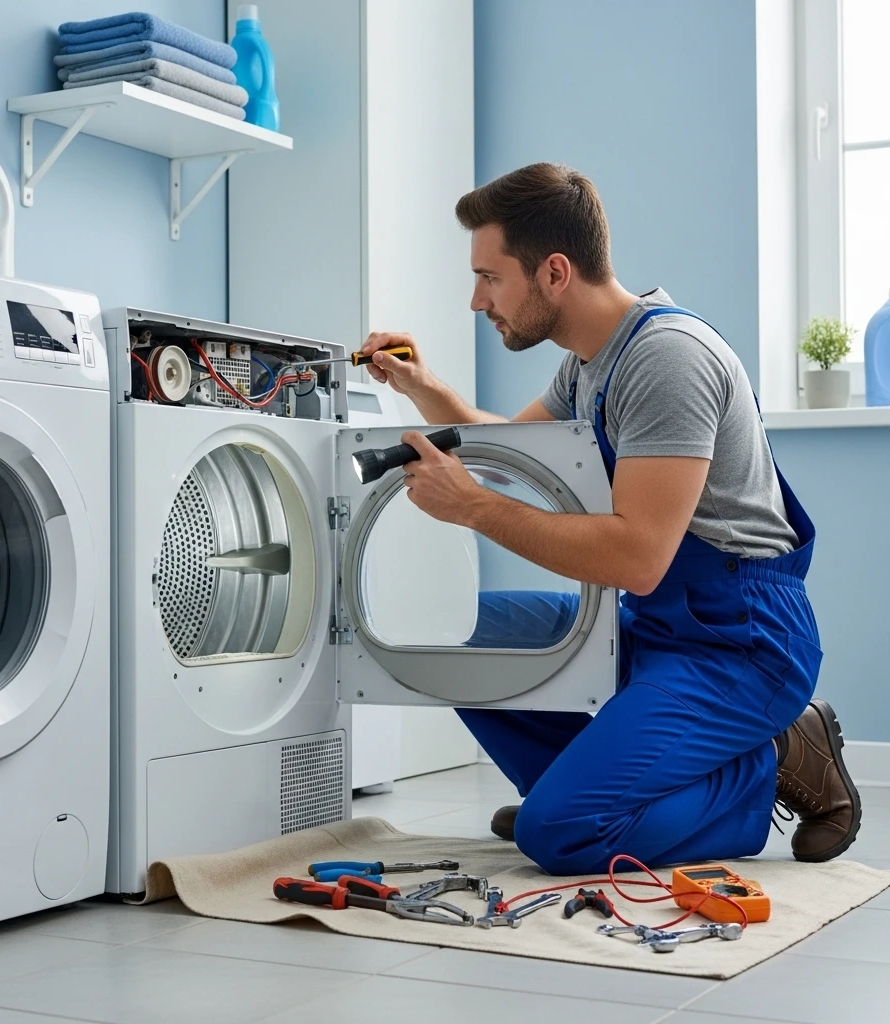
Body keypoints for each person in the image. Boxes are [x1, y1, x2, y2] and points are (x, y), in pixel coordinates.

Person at [359, 162, 861, 874]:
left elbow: (638, 556)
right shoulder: (591, 361)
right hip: (656, 624)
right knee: (449, 630)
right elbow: (508, 453)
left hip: (740, 643)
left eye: (490, 277)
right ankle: (577, 794)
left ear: (554, 272)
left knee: (558, 836)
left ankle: (772, 757)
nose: (477, 300)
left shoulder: (667, 361)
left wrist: (472, 506)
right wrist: (422, 385)